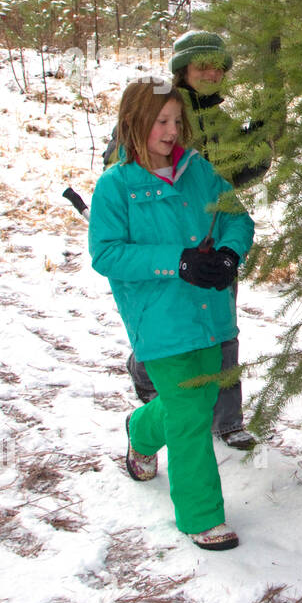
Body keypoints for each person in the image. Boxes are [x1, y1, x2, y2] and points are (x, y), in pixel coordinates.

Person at [89, 78, 255, 549]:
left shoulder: (198, 171)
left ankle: (140, 431)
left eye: (176, 121)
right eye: (161, 121)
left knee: (195, 402)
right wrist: (177, 260)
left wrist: (227, 254)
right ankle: (201, 517)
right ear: (133, 123)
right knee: (188, 416)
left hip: (210, 314)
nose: (170, 130)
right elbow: (106, 255)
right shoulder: (116, 187)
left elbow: (236, 217)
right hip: (158, 319)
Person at [110, 31, 269, 450]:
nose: (213, 74)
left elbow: (238, 179)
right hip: (164, 244)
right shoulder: (155, 109)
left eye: (219, 67)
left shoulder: (220, 119)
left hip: (214, 243)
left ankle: (227, 420)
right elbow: (123, 165)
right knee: (166, 329)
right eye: (203, 67)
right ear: (183, 70)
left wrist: (258, 146)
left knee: (222, 331)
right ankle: (146, 372)